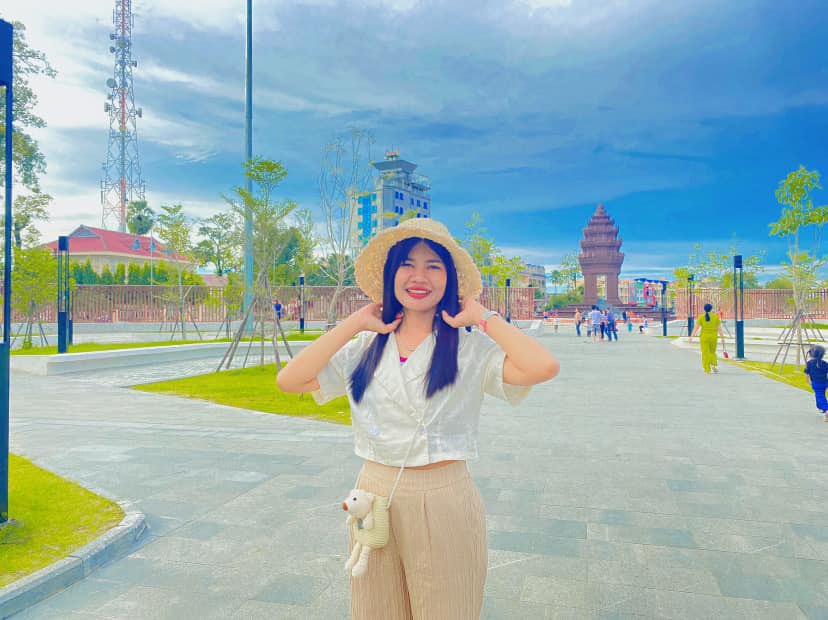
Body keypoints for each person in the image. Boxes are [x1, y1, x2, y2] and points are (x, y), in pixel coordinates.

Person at [276, 218, 560, 619]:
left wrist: (483, 316)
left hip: (443, 496)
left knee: (447, 609)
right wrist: (355, 322)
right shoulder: (365, 347)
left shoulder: (469, 348)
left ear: (450, 279)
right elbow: (289, 380)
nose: (419, 277)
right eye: (407, 265)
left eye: (433, 266)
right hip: (373, 494)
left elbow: (542, 366)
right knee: (376, 609)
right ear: (391, 276)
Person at [688, 303, 726, 374]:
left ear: (704, 309)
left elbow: (696, 328)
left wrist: (691, 337)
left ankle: (707, 369)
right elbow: (719, 329)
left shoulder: (701, 317)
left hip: (704, 337)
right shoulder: (716, 317)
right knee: (712, 352)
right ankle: (713, 364)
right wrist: (722, 338)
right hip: (713, 337)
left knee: (705, 353)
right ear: (711, 309)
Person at [804, 345, 828, 420]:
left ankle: (826, 409)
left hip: (816, 383)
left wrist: (807, 381)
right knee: (821, 395)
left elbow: (806, 373)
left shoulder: (809, 363)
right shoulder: (824, 363)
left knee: (820, 396)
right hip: (825, 382)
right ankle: (821, 407)